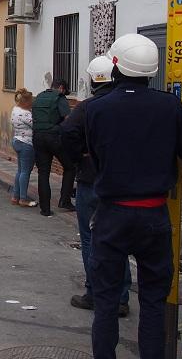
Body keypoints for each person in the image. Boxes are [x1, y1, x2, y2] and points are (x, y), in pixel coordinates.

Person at [80, 34, 182, 359]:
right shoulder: (170, 106)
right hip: (154, 215)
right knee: (152, 300)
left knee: (106, 302)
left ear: (116, 65)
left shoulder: (97, 109)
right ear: (152, 69)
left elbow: (94, 154)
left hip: (112, 214)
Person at [61, 56, 131, 317]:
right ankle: (121, 296)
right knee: (119, 240)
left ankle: (95, 292)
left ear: (92, 80)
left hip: (92, 181)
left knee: (91, 239)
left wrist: (78, 157)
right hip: (122, 183)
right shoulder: (129, 105)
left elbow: (67, 133)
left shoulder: (87, 108)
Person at [32, 78, 76, 215]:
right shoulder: (59, 97)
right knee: (70, 167)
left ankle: (45, 209)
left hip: (38, 137)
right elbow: (68, 118)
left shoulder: (39, 97)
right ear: (61, 88)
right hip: (54, 137)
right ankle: (65, 200)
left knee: (43, 172)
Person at [11, 88, 37, 207]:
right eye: (31, 101)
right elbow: (36, 124)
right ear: (26, 102)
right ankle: (23, 198)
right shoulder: (26, 114)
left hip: (17, 140)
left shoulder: (15, 109)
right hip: (26, 143)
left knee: (20, 171)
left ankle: (15, 196)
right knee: (25, 172)